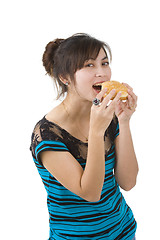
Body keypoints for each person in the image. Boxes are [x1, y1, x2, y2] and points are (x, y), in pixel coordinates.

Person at [30, 33, 138, 240]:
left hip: (122, 230)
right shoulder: (47, 135)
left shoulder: (107, 115)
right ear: (64, 77)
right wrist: (96, 131)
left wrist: (124, 121)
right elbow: (90, 194)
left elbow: (128, 182)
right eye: (89, 65)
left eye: (104, 63)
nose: (102, 73)